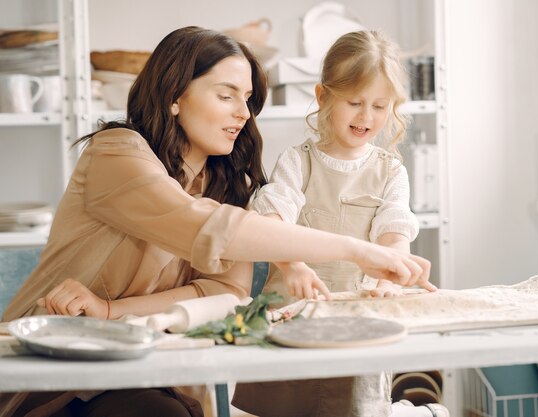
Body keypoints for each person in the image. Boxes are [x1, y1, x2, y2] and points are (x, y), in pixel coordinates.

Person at [0, 26, 432, 417]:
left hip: (141, 368)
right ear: (175, 95)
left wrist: (111, 311)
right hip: (51, 369)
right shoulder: (117, 153)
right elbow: (201, 226)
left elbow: (224, 290)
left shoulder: (223, 182)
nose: (243, 113)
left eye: (246, 99)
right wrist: (357, 249)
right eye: (226, 95)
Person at [233, 30, 448, 417]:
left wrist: (388, 278)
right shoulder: (297, 162)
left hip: (358, 326)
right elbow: (270, 221)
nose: (367, 117)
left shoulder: (391, 172)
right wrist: (291, 264)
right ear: (322, 97)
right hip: (290, 323)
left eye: (380, 106)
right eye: (355, 102)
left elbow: (394, 235)